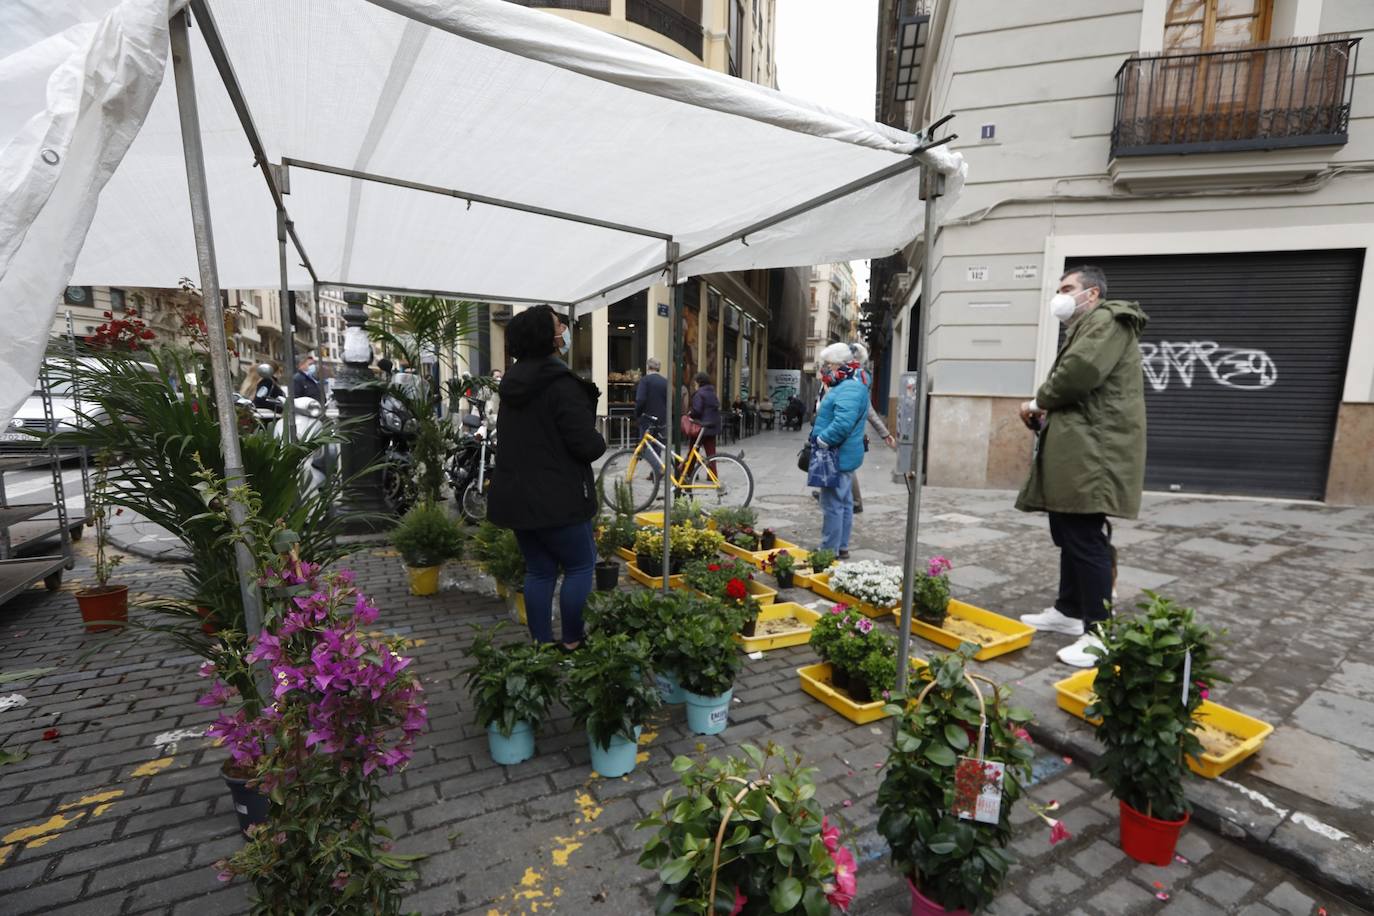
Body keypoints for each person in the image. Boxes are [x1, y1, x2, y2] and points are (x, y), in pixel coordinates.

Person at [1016, 266, 1148, 668]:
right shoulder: (1087, 327)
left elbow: (1080, 375)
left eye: (1068, 288)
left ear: (1091, 294)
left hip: (1095, 452)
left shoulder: (1107, 320)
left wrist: (1039, 401)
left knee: (1084, 536)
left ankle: (1098, 634)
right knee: (1068, 530)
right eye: (1059, 289)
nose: (1061, 295)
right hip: (1081, 447)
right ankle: (1069, 611)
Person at [487, 305, 606, 651]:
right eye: (559, 325)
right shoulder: (560, 384)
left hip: (519, 498)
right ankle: (571, 639)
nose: (565, 329)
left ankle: (541, 644)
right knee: (580, 565)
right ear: (548, 337)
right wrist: (595, 434)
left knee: (539, 571)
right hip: (559, 498)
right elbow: (587, 445)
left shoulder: (512, 385)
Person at [811, 342, 870, 559]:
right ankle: (841, 546)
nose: (824, 368)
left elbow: (843, 423)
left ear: (839, 364)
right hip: (844, 453)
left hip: (836, 453)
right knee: (844, 502)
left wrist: (823, 440)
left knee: (832, 504)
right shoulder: (850, 384)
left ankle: (828, 551)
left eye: (827, 364)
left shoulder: (850, 387)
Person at [687, 371, 721, 470]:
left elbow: (697, 410)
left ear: (699, 382)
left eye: (695, 382)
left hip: (700, 427)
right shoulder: (712, 393)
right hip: (712, 427)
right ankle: (713, 475)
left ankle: (688, 472)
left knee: (693, 451)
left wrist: (690, 413)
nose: (694, 384)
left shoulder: (699, 394)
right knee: (711, 453)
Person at [633, 357, 668, 439]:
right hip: (662, 420)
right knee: (657, 446)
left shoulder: (645, 381)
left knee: (646, 445)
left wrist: (637, 414)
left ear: (648, 367)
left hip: (647, 419)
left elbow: (640, 400)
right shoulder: (665, 382)